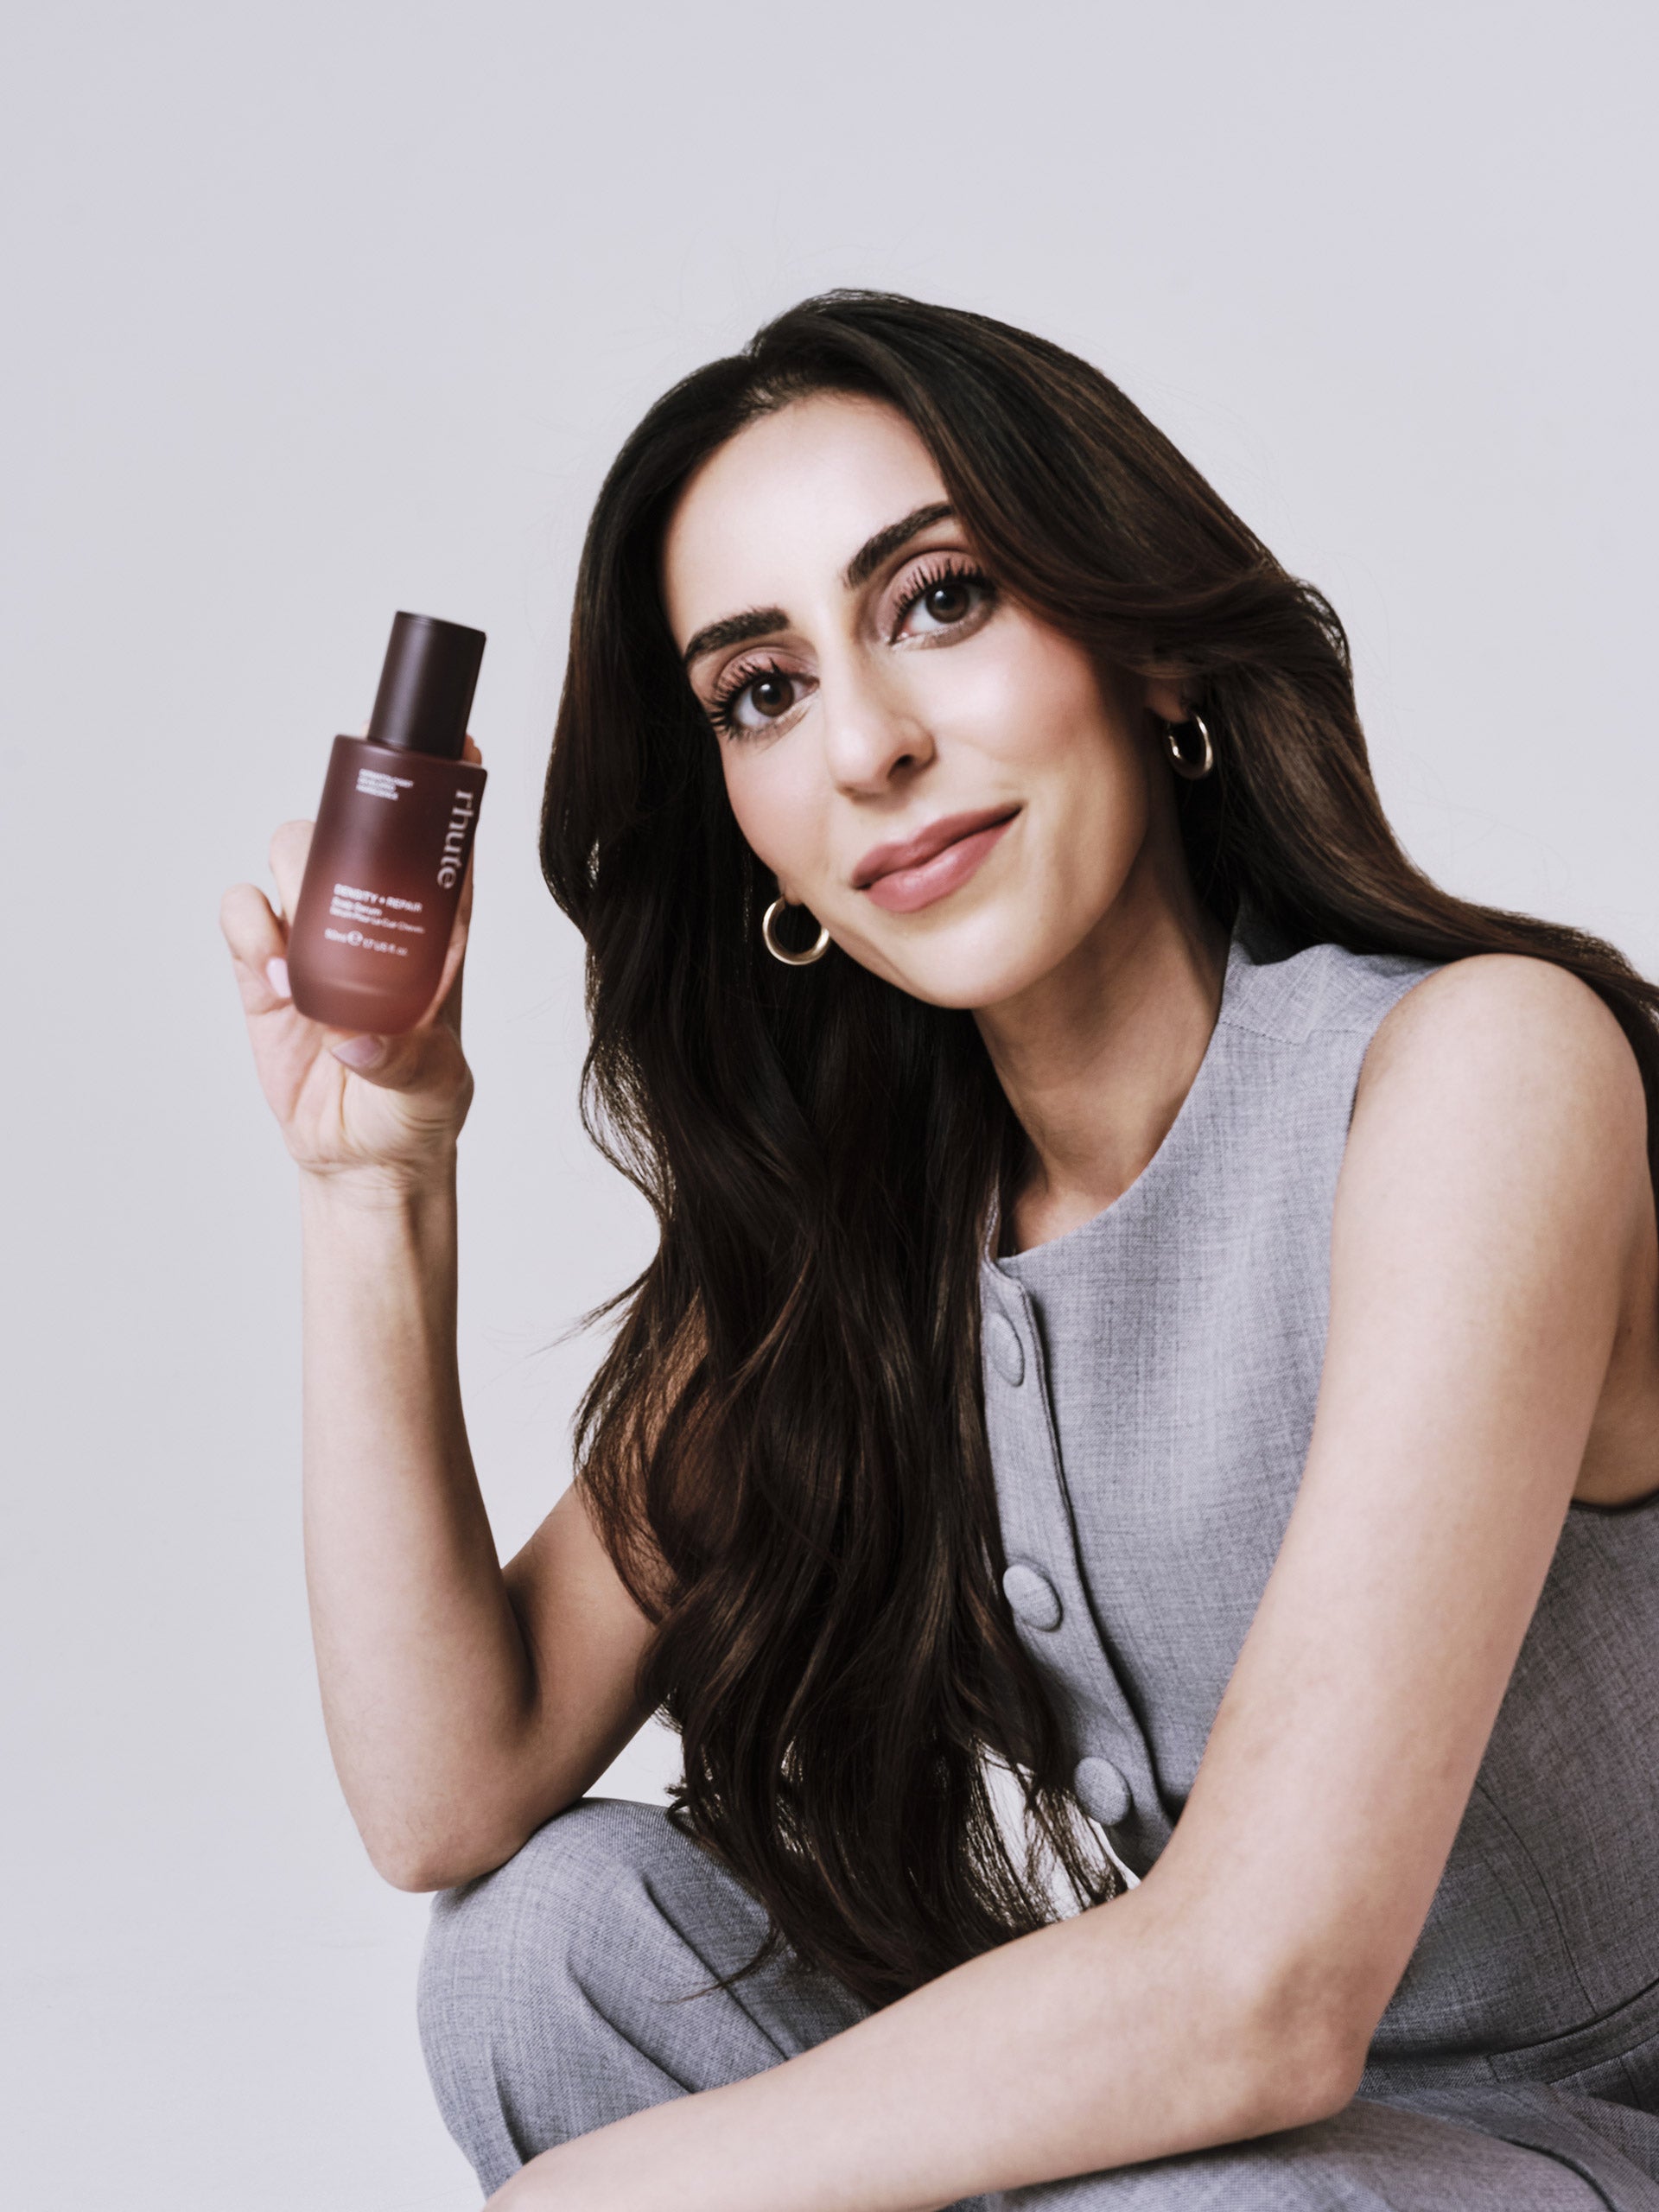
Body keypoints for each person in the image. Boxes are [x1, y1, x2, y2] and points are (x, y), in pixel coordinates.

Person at [220, 293, 1659, 2211]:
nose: (871, 745)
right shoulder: (862, 1230)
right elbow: (447, 1790)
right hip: (1250, 2142)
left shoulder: (1473, 1072)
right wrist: (374, 1183)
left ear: (1147, 645)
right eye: (762, 688)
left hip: (1536, 2140)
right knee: (542, 1942)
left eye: (943, 599)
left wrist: (603, 2194)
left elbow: (1271, 1991)